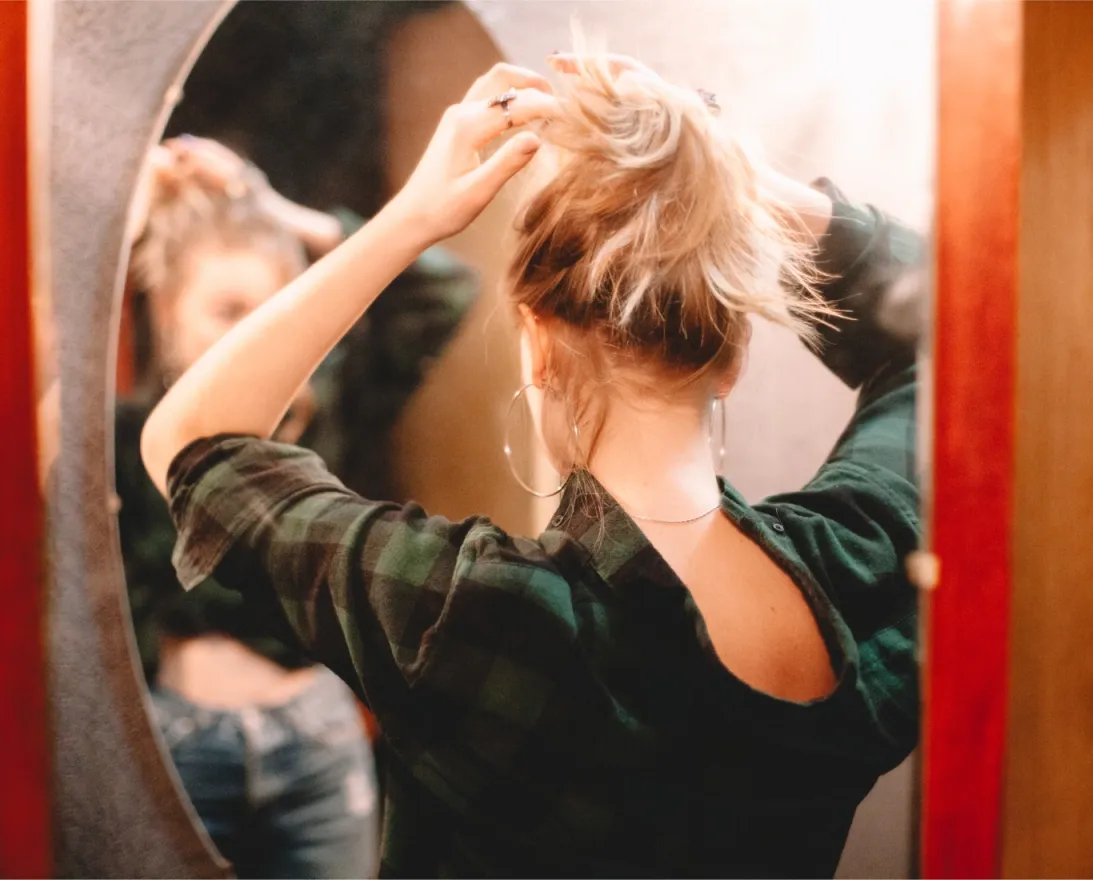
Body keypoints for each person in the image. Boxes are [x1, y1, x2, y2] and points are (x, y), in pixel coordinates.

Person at [141, 52, 921, 877]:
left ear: (539, 344)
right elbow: (958, 340)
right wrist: (732, 177)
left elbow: (192, 440)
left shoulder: (479, 615)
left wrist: (410, 220)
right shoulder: (855, 573)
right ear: (733, 355)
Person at [116, 137, 476, 878]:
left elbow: (441, 290)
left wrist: (272, 207)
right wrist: (127, 221)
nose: (250, 335)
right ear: (170, 315)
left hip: (317, 746)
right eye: (227, 311)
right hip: (178, 746)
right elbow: (36, 350)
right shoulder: (128, 436)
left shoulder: (328, 406)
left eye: (269, 312)